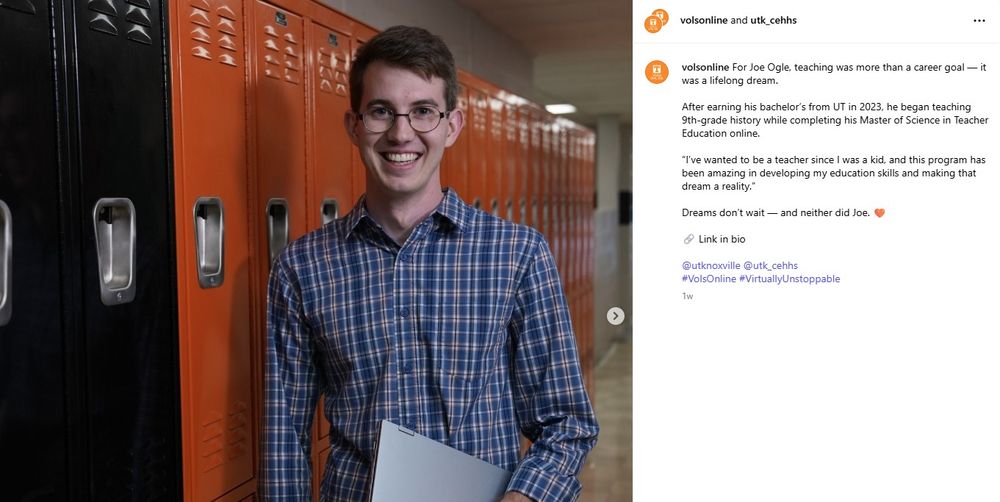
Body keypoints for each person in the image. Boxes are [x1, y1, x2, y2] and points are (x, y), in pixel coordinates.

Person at [261, 25, 598, 501]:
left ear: (451, 126)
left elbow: (567, 422)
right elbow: (284, 442)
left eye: (423, 112)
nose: (402, 133)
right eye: (381, 111)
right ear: (354, 125)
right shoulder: (302, 267)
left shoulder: (517, 254)